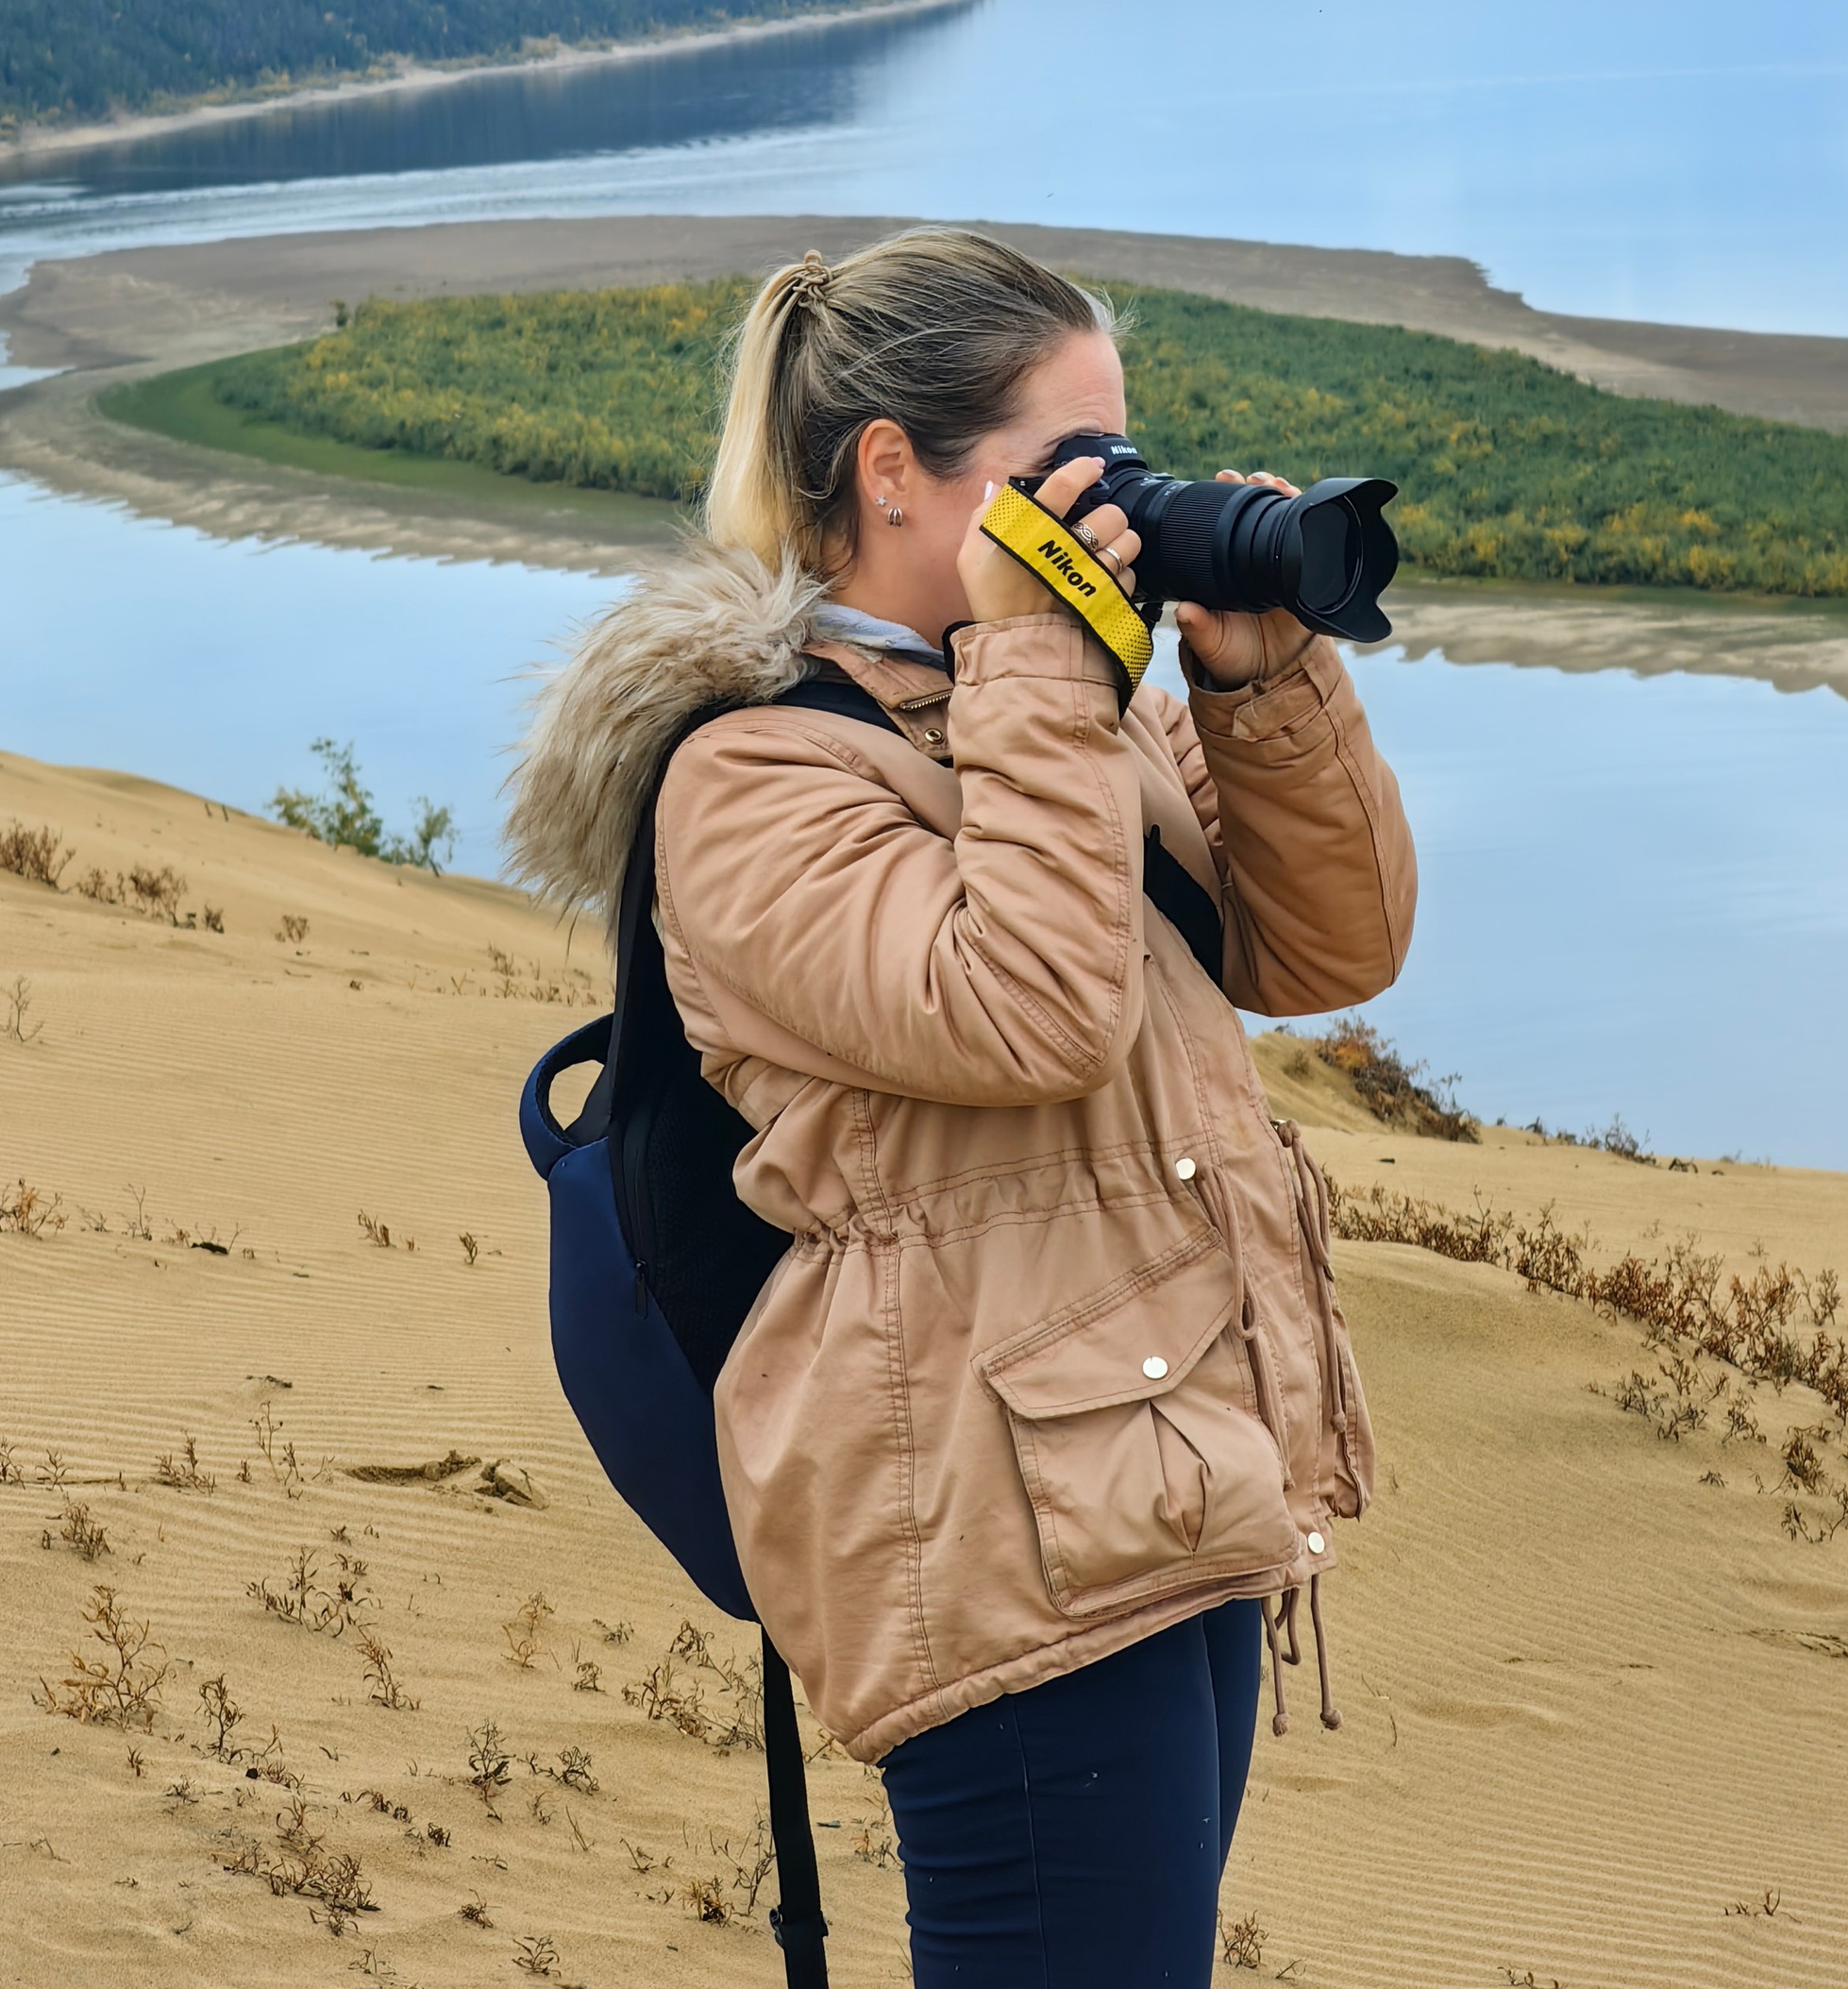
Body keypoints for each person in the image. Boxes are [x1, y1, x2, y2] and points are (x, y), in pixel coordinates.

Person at [509, 228, 1416, 1985]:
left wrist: (1256, 679)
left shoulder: (1052, 712)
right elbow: (1030, 1013)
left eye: (1125, 459)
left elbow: (1328, 946)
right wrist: (1045, 671)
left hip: (1162, 1472)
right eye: (1067, 464)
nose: (1114, 507)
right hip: (992, 1531)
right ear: (891, 472)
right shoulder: (751, 773)